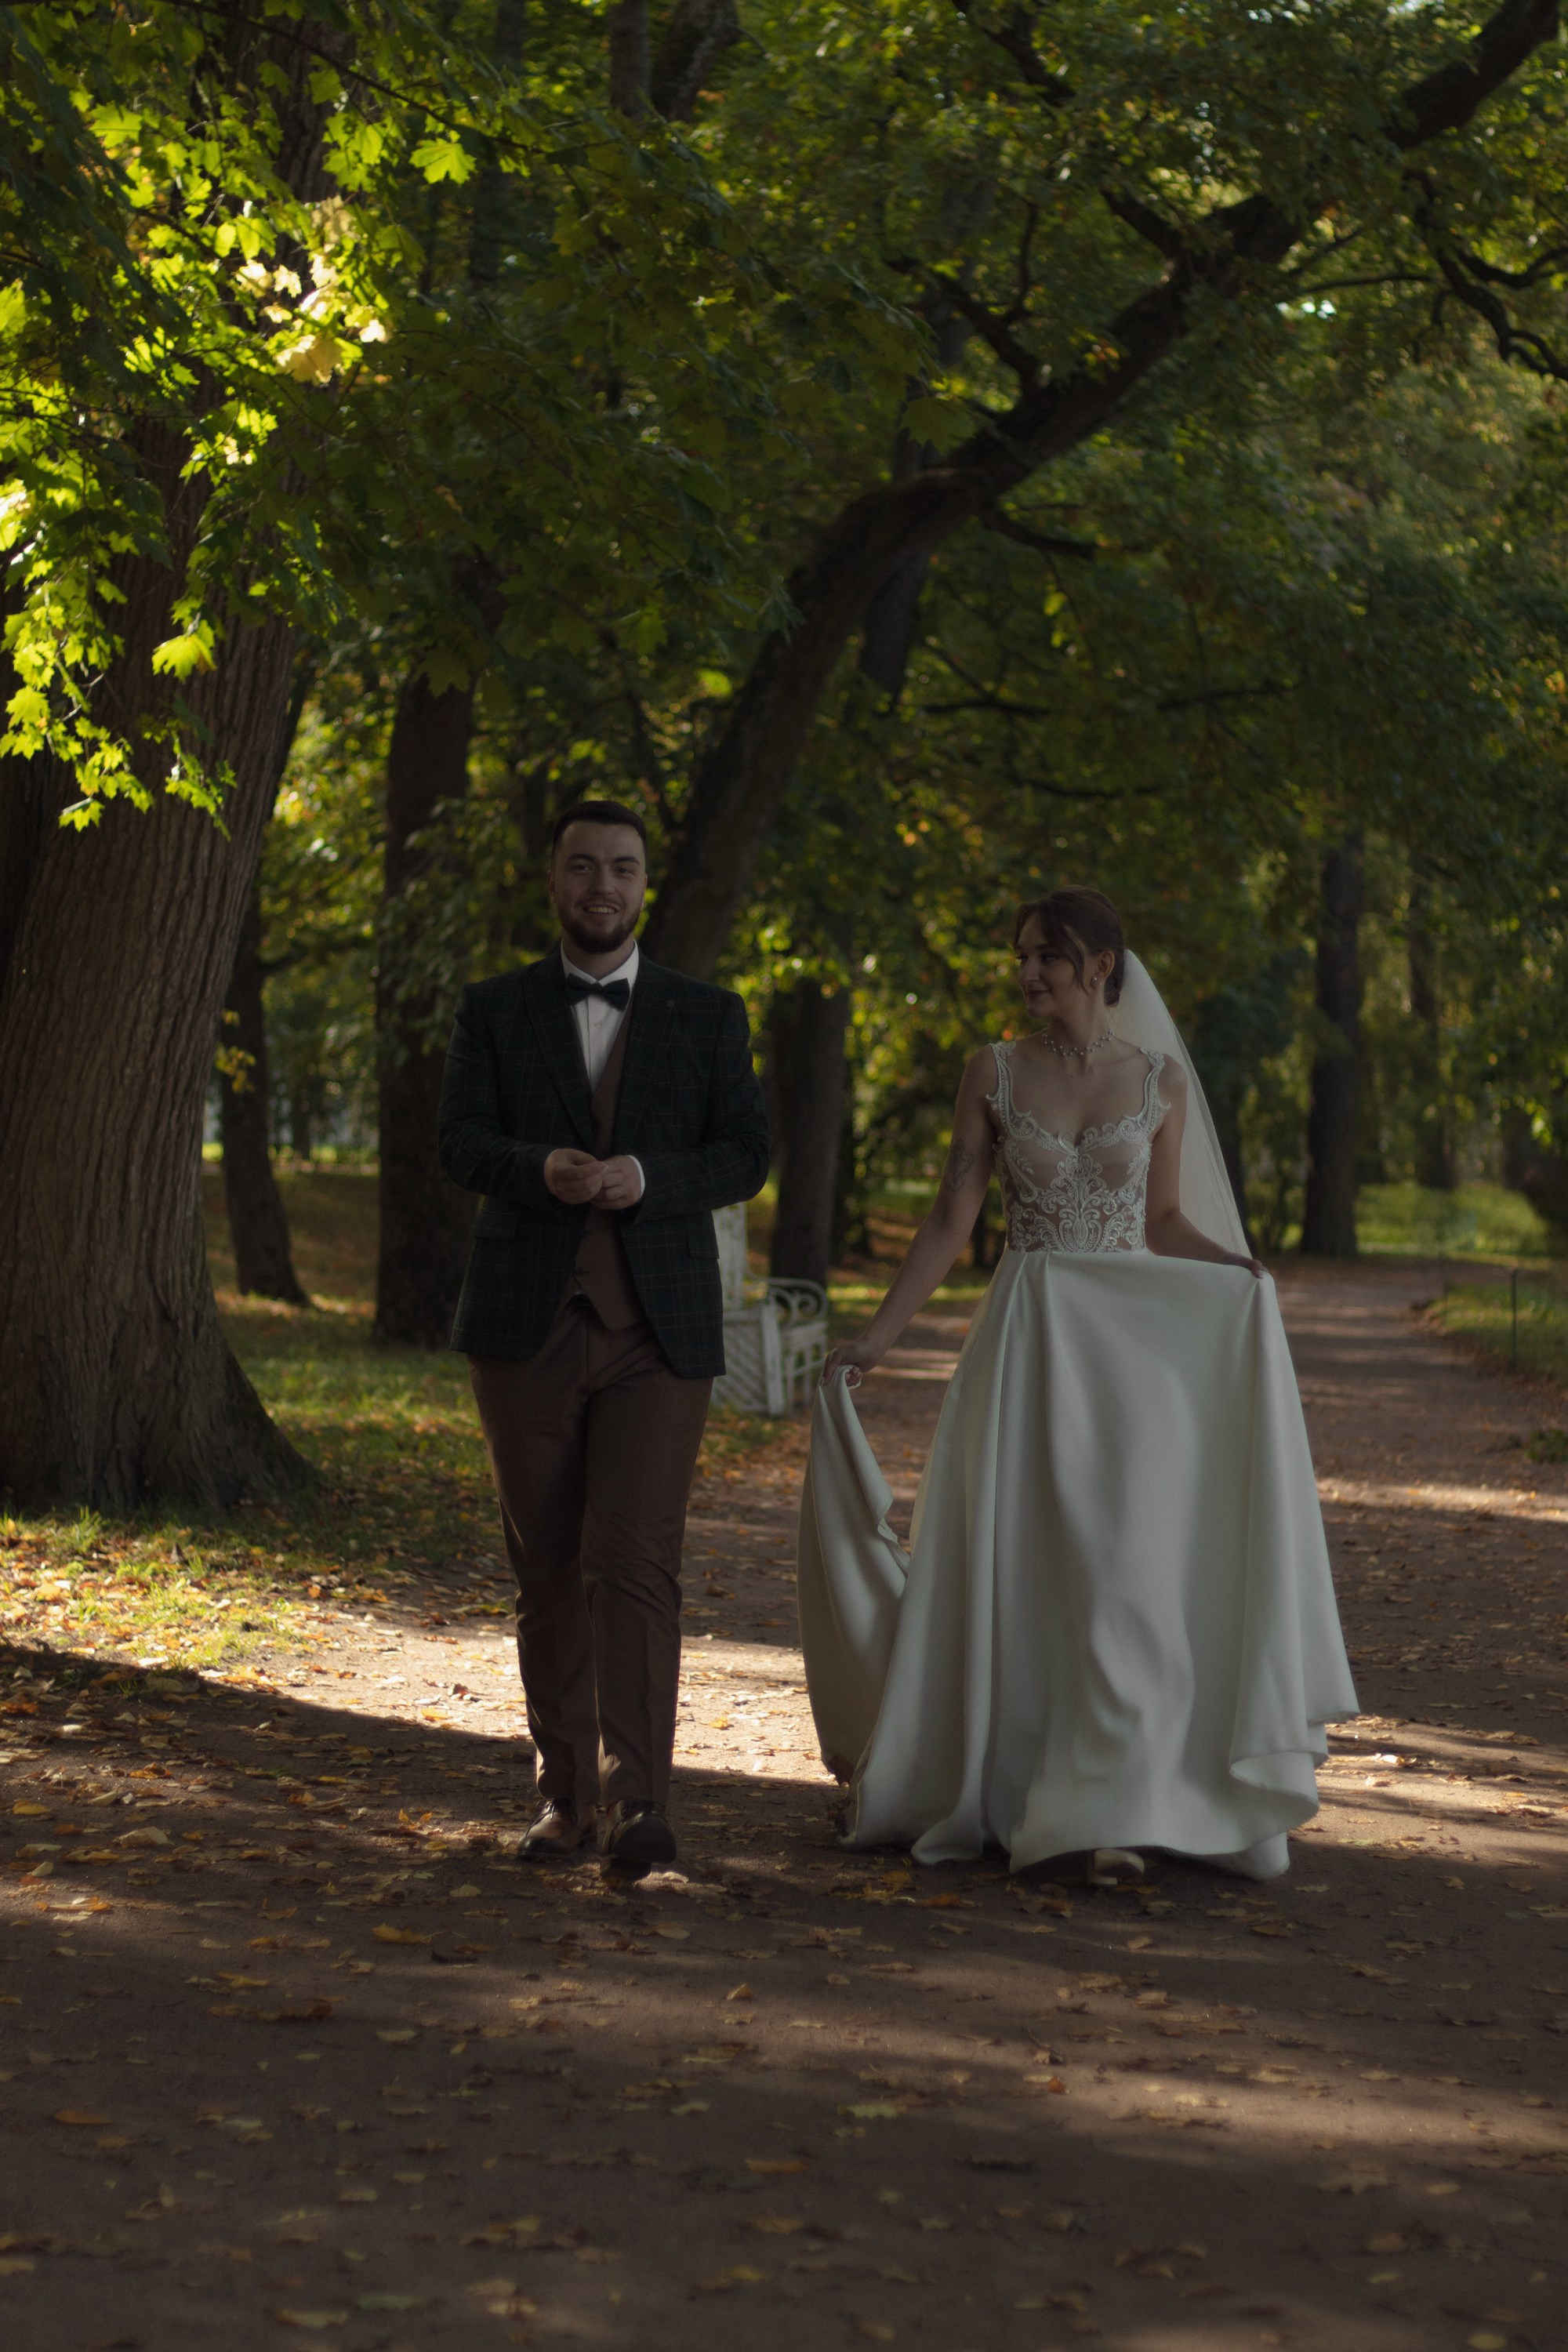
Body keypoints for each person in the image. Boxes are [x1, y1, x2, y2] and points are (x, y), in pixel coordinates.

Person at [798, 886, 1356, 1883]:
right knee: (1031, 1568)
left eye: (1047, 957)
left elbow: (1163, 1224)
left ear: (1101, 965)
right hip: (1027, 1341)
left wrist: (1234, 1278)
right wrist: (878, 1338)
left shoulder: (1159, 1081)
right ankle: (1029, 1791)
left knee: (1122, 1571)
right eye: (1021, 956)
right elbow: (947, 1222)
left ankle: (1126, 1795)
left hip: (1126, 1362)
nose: (1027, 974)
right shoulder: (993, 1071)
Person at [438, 800, 770, 1871]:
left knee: (635, 1565)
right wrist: (541, 1168)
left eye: (621, 869)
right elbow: (459, 1140)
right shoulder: (494, 1010)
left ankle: (639, 1810)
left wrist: (653, 1178)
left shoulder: (708, 1016)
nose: (601, 886)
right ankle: (565, 1800)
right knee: (548, 1573)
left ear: (644, 887)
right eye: (582, 867)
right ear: (554, 881)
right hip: (523, 1325)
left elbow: (746, 1153)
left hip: (655, 1329)